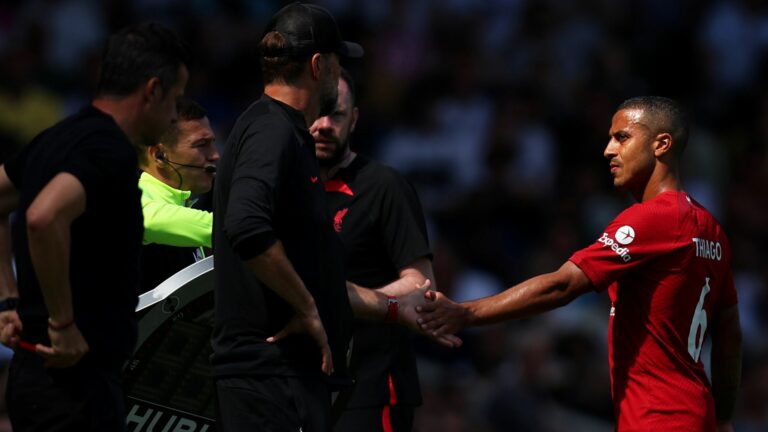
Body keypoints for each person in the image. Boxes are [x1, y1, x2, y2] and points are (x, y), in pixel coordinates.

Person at [418, 96, 742, 432]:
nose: (608, 150)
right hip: (697, 415)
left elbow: (563, 285)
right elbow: (729, 335)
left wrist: (466, 313)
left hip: (658, 419)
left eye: (622, 137)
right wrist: (724, 418)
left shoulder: (654, 219)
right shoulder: (711, 230)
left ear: (661, 144)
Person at [212, 3, 458, 431]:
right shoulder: (273, 130)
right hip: (270, 376)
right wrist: (310, 304)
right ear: (317, 65)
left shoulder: (286, 136)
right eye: (337, 62)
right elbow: (246, 226)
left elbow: (417, 285)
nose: (326, 123)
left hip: (313, 377)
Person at [0, 22, 188, 431]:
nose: (175, 114)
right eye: (175, 99)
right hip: (74, 384)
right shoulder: (110, 151)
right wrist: (62, 323)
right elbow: (43, 217)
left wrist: (7, 301)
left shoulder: (56, 136)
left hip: (34, 376)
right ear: (152, 90)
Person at [311, 68, 434, 431]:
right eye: (316, 112)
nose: (324, 124)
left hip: (370, 385)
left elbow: (421, 285)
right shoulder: (285, 190)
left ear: (354, 119)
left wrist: (343, 300)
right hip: (302, 381)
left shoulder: (384, 186)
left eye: (336, 114)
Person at [137, 96, 219, 293]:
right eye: (201, 145)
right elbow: (240, 230)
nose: (215, 155)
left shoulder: (182, 207)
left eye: (212, 143)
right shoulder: (135, 199)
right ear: (159, 155)